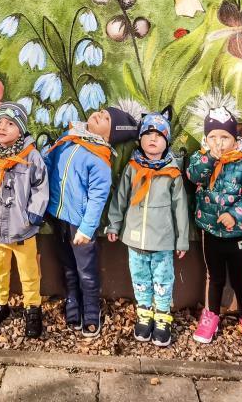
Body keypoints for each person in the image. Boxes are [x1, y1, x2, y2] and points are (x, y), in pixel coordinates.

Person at [45, 106, 139, 337]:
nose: (98, 114)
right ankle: (72, 301)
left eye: (106, 118)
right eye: (100, 111)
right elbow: (49, 163)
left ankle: (90, 308)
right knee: (67, 264)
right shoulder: (68, 138)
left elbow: (98, 198)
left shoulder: (99, 159)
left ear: (110, 135)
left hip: (80, 223)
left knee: (85, 269)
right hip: (57, 216)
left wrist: (86, 229)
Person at [105, 107, 188, 347]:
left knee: (163, 279)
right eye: (148, 134)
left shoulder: (172, 173)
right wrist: (114, 225)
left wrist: (182, 239)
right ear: (140, 139)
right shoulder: (132, 168)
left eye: (159, 135)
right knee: (140, 277)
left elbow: (180, 208)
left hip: (162, 241)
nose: (153, 139)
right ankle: (144, 313)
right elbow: (120, 198)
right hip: (135, 238)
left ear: (166, 141)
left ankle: (162, 316)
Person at [186, 106, 242, 353]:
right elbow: (193, 176)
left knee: (240, 279)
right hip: (210, 231)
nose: (218, 143)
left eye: (224, 137)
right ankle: (210, 316)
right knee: (214, 277)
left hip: (236, 234)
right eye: (213, 137)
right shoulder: (202, 158)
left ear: (234, 139)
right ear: (206, 138)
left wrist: (235, 215)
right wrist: (210, 157)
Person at [0, 102, 49, 338]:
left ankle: (32, 307)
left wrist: (32, 217)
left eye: (10, 123)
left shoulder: (31, 156)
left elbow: (40, 187)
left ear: (21, 130)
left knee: (29, 272)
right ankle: (0, 303)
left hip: (23, 229)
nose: (2, 127)